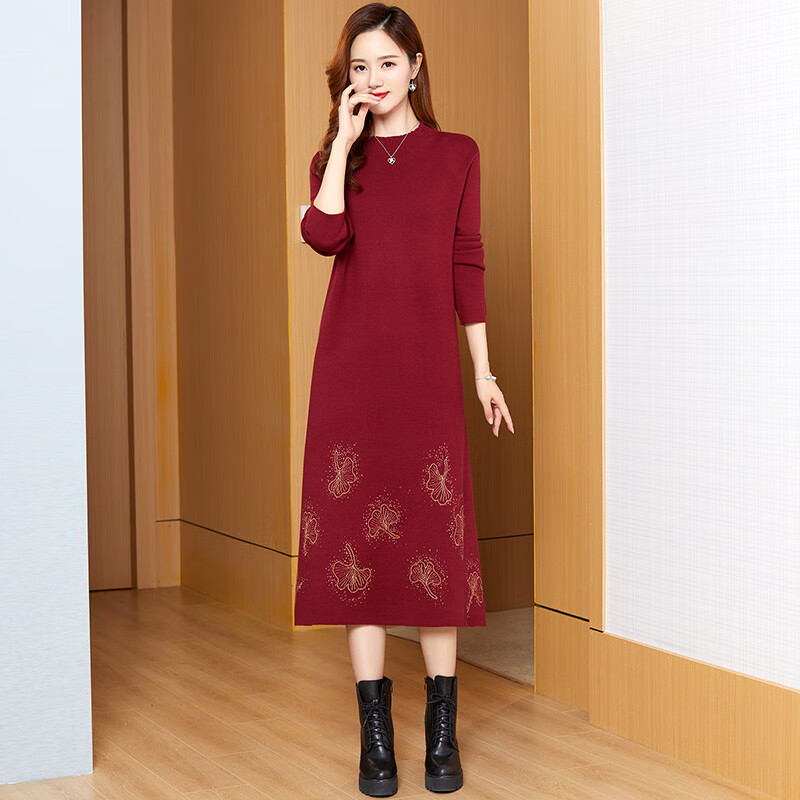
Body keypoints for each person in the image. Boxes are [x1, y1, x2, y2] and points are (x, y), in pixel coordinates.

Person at [294, 3, 514, 795]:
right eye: (360, 67)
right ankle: (376, 740)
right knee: (359, 552)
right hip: (349, 377)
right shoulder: (335, 160)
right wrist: (341, 146)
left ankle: (442, 738)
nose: (374, 78)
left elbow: (467, 261)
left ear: (416, 66)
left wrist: (482, 372)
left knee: (433, 550)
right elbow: (323, 237)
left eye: (387, 62)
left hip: (426, 378)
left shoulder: (457, 154)